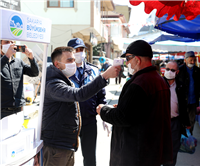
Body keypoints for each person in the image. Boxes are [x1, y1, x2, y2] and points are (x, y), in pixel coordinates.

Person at [96, 40, 173, 166]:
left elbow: (123, 117)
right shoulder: (159, 80)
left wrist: (103, 110)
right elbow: (143, 111)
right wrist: (122, 107)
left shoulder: (139, 83)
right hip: (152, 150)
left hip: (136, 153)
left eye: (128, 59)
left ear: (137, 59)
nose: (126, 63)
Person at [41, 46, 120, 166]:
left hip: (67, 144)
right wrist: (105, 76)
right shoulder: (53, 84)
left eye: (73, 60)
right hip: (56, 146)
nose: (73, 63)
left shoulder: (65, 79)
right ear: (57, 64)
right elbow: (79, 94)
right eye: (69, 60)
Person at [67, 38, 106, 166]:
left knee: (90, 158)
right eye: (76, 50)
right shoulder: (64, 72)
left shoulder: (94, 70)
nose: (80, 53)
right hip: (69, 121)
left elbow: (101, 94)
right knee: (65, 157)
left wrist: (104, 112)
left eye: (81, 50)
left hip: (89, 121)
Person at [0, 40, 39, 120]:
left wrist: (31, 58)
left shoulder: (18, 62)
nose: (11, 44)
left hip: (18, 109)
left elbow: (34, 73)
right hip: (2, 110)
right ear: (0, 46)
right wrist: (6, 56)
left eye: (12, 42)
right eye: (7, 42)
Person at [163, 61, 191, 166]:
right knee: (158, 148)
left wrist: (187, 123)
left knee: (173, 149)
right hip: (159, 122)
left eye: (172, 70)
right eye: (167, 69)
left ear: (177, 72)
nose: (169, 72)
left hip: (175, 122)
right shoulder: (158, 83)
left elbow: (184, 107)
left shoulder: (181, 86)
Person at [177, 51, 200, 135]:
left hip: (193, 101)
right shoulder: (179, 70)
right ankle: (182, 136)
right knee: (182, 119)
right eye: (191, 60)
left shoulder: (197, 70)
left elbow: (198, 86)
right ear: (185, 60)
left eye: (194, 60)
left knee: (192, 120)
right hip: (183, 100)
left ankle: (189, 136)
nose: (192, 62)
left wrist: (197, 104)